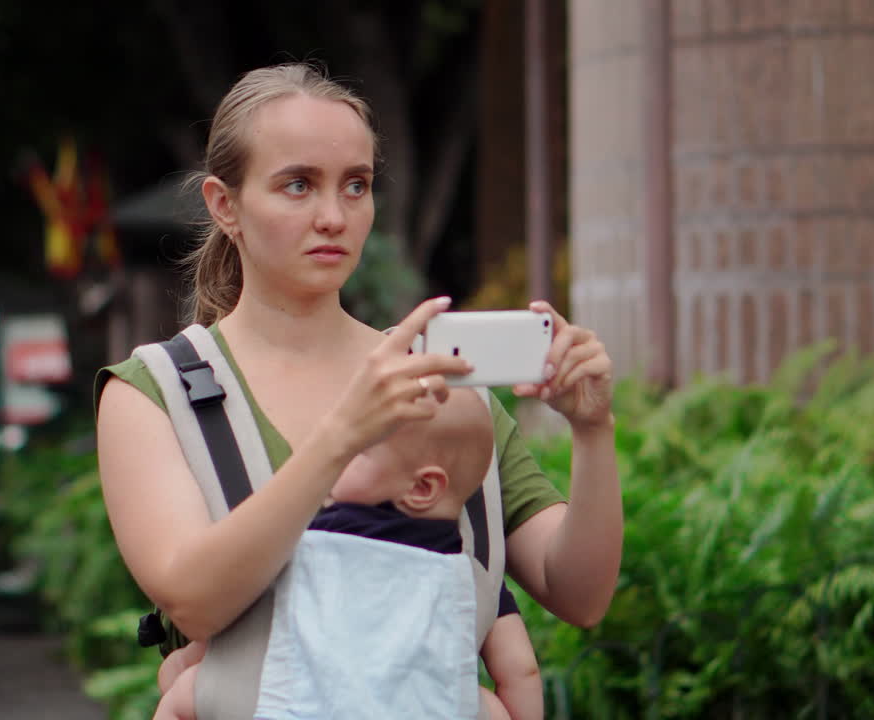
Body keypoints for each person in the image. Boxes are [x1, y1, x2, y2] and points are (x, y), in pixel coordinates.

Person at [97, 62, 620, 715]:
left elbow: (580, 593)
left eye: (356, 185)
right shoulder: (159, 391)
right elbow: (192, 599)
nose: (333, 215)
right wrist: (343, 438)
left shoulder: (442, 384)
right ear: (224, 205)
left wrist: (593, 431)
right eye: (297, 185)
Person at [153, 389, 543, 720]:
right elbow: (520, 669)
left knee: (182, 695)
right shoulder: (469, 575)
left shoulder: (316, 534)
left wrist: (191, 659)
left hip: (308, 700)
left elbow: (251, 605)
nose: (334, 456)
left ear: (422, 487)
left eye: (355, 450)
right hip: (425, 706)